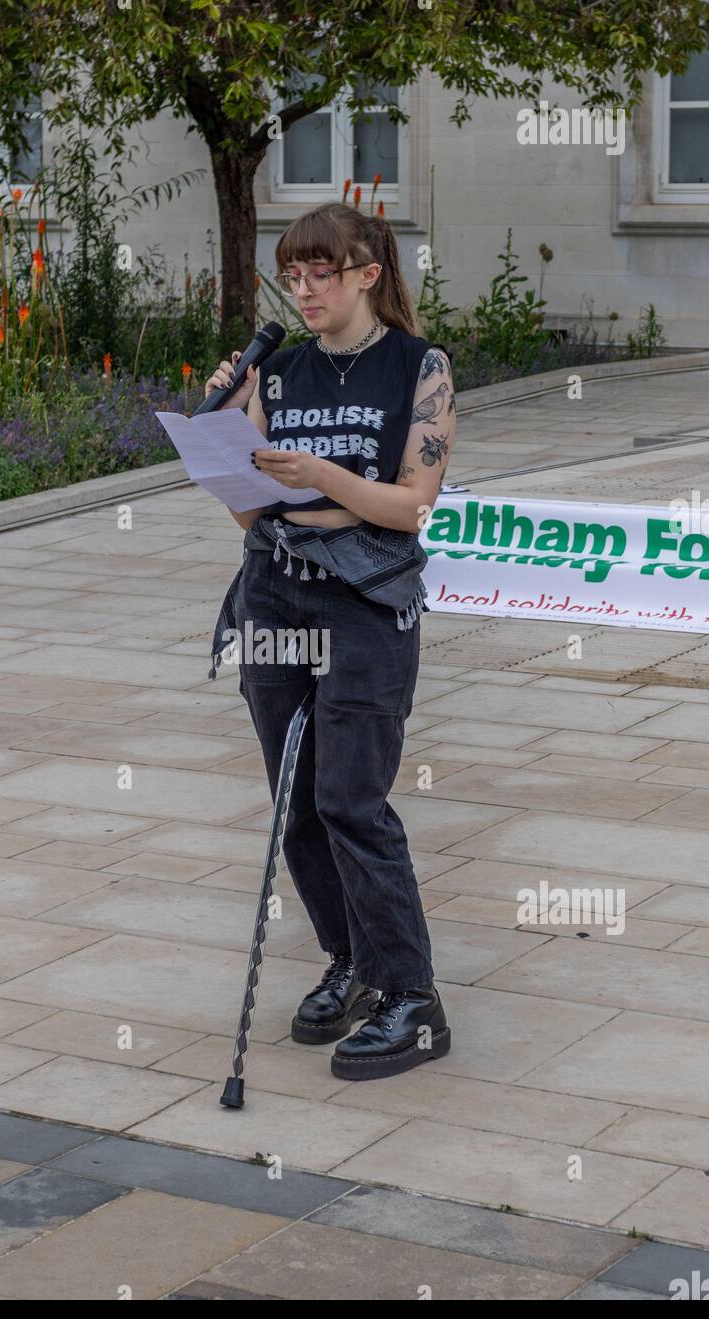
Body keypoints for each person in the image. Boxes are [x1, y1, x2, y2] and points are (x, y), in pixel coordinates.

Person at [204, 201, 456, 1081]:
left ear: (367, 275)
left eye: (322, 273)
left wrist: (323, 477)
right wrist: (226, 430)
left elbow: (412, 506)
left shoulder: (419, 368)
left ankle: (413, 999)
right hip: (274, 592)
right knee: (299, 801)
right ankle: (352, 962)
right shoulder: (278, 374)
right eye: (294, 276)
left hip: (365, 601)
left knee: (353, 800)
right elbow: (252, 512)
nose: (304, 291)